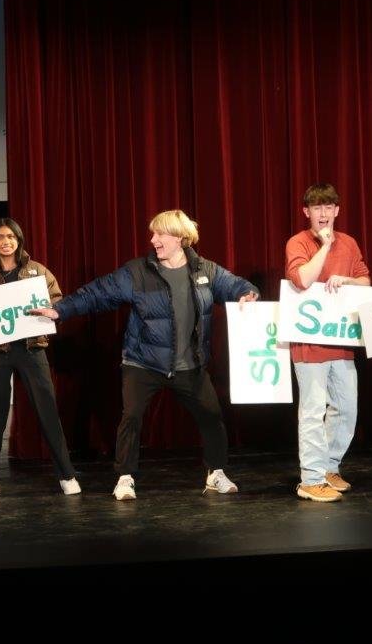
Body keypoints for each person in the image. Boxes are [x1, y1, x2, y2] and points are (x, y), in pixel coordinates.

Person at [32, 209, 259, 500]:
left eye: (160, 234)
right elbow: (97, 293)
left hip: (189, 365)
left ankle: (216, 473)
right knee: (132, 417)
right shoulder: (138, 272)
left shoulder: (205, 270)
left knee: (212, 416)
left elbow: (235, 284)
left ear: (180, 237)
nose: (153, 240)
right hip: (144, 362)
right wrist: (60, 310)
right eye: (153, 234)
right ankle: (125, 477)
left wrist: (248, 293)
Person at [0, 217, 81, 499]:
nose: (6, 242)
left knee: (47, 412)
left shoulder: (36, 271)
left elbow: (57, 300)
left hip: (31, 350)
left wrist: (49, 308)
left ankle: (67, 474)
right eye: (0, 237)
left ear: (19, 240)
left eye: (10, 237)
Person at [286, 183, 371, 502]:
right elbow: (303, 279)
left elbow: (365, 280)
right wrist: (323, 246)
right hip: (309, 344)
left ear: (337, 210)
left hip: (340, 341)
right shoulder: (297, 242)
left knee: (347, 408)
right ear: (306, 212)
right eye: (316, 208)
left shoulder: (349, 243)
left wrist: (347, 280)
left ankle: (328, 467)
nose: (322, 213)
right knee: (312, 410)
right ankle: (310, 478)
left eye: (328, 207)